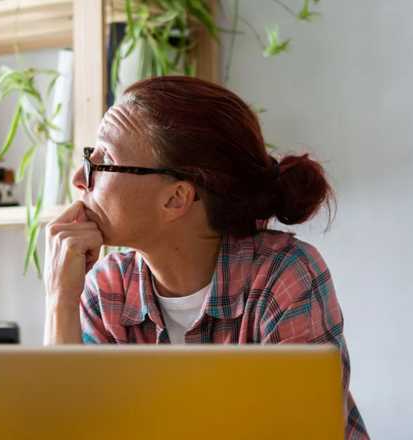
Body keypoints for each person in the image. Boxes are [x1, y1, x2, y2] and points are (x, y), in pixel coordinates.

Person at [43, 76, 369, 439]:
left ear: (176, 198)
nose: (78, 178)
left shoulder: (284, 276)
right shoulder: (107, 290)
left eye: (102, 162)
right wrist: (60, 298)